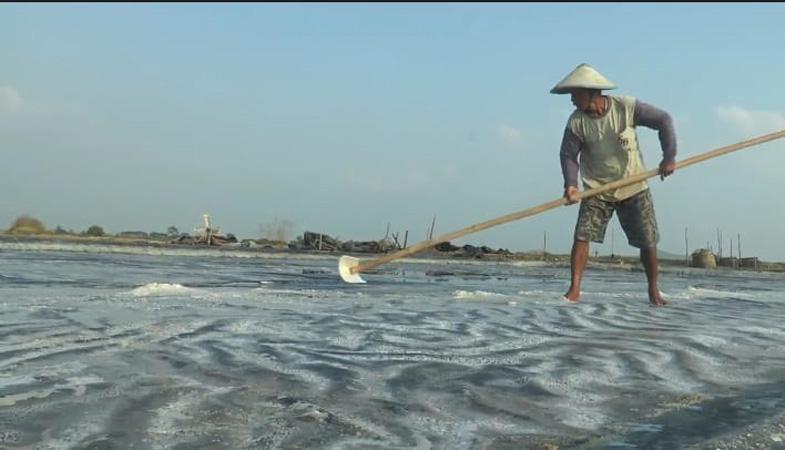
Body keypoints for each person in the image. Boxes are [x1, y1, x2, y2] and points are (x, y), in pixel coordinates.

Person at [551, 63, 677, 307]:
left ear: (592, 93)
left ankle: (654, 290)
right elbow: (568, 156)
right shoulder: (576, 122)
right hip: (597, 188)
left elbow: (663, 120)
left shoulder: (626, 107)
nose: (572, 101)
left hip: (634, 183)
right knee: (582, 235)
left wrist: (669, 157)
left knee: (648, 241)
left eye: (575, 95)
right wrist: (571, 185)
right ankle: (574, 289)